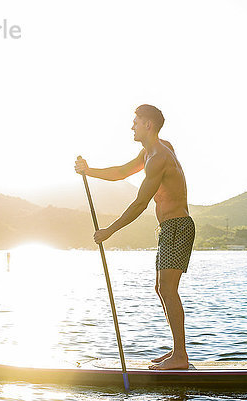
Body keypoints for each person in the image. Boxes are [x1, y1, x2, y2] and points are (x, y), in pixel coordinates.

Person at [75, 104, 194, 370]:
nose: (132, 126)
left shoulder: (160, 156)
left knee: (167, 289)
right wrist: (89, 170)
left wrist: (109, 231)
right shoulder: (152, 151)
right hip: (168, 228)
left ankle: (180, 357)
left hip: (178, 227)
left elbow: (140, 203)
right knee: (161, 289)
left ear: (148, 125)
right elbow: (120, 172)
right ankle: (178, 352)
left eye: (136, 122)